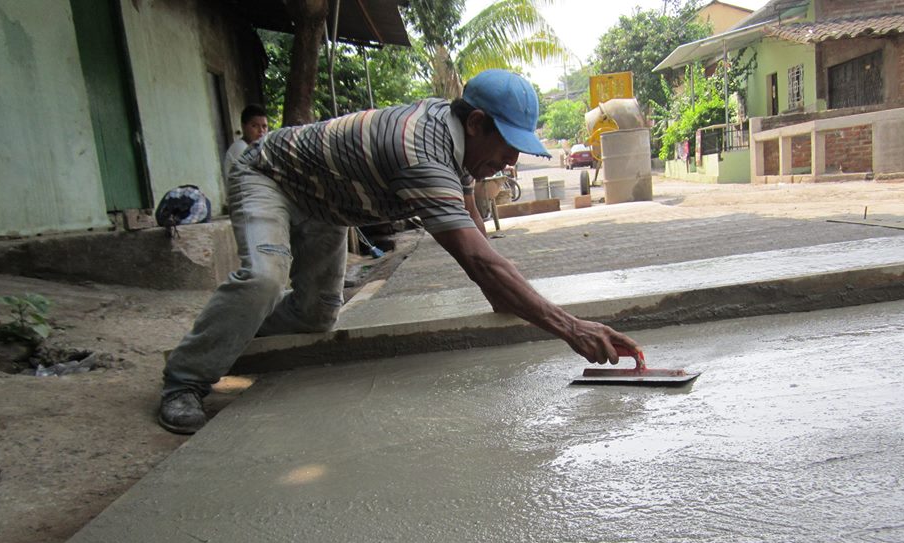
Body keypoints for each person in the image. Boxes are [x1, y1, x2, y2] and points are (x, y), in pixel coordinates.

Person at [158, 70, 642, 434]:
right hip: (271, 177)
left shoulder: (458, 143)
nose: (511, 160)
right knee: (264, 278)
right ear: (476, 123)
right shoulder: (420, 150)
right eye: (508, 145)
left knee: (315, 317)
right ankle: (184, 379)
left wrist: (502, 296)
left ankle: (231, 336)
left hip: (327, 205)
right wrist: (570, 327)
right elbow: (475, 259)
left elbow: (472, 217)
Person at [222, 104, 269, 184]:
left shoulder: (256, 148)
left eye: (264, 126)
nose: (261, 130)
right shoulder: (240, 148)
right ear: (243, 127)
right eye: (254, 126)